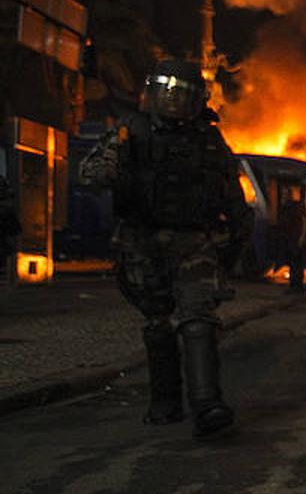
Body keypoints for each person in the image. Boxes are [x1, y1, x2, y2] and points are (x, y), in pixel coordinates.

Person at [77, 58, 253, 440]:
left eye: (181, 95)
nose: (172, 102)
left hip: (193, 242)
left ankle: (207, 404)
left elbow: (235, 201)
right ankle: (165, 403)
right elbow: (89, 173)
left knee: (198, 316)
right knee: (158, 324)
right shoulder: (131, 131)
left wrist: (231, 251)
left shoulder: (209, 141)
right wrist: (112, 170)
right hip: (141, 242)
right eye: (166, 92)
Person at [276, 187, 306, 293]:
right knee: (295, 264)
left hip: (294, 240)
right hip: (291, 240)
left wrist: (301, 238)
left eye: (286, 194)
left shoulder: (293, 208)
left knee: (296, 264)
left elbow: (302, 223)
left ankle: (296, 285)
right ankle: (295, 285)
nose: (284, 196)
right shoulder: (291, 207)